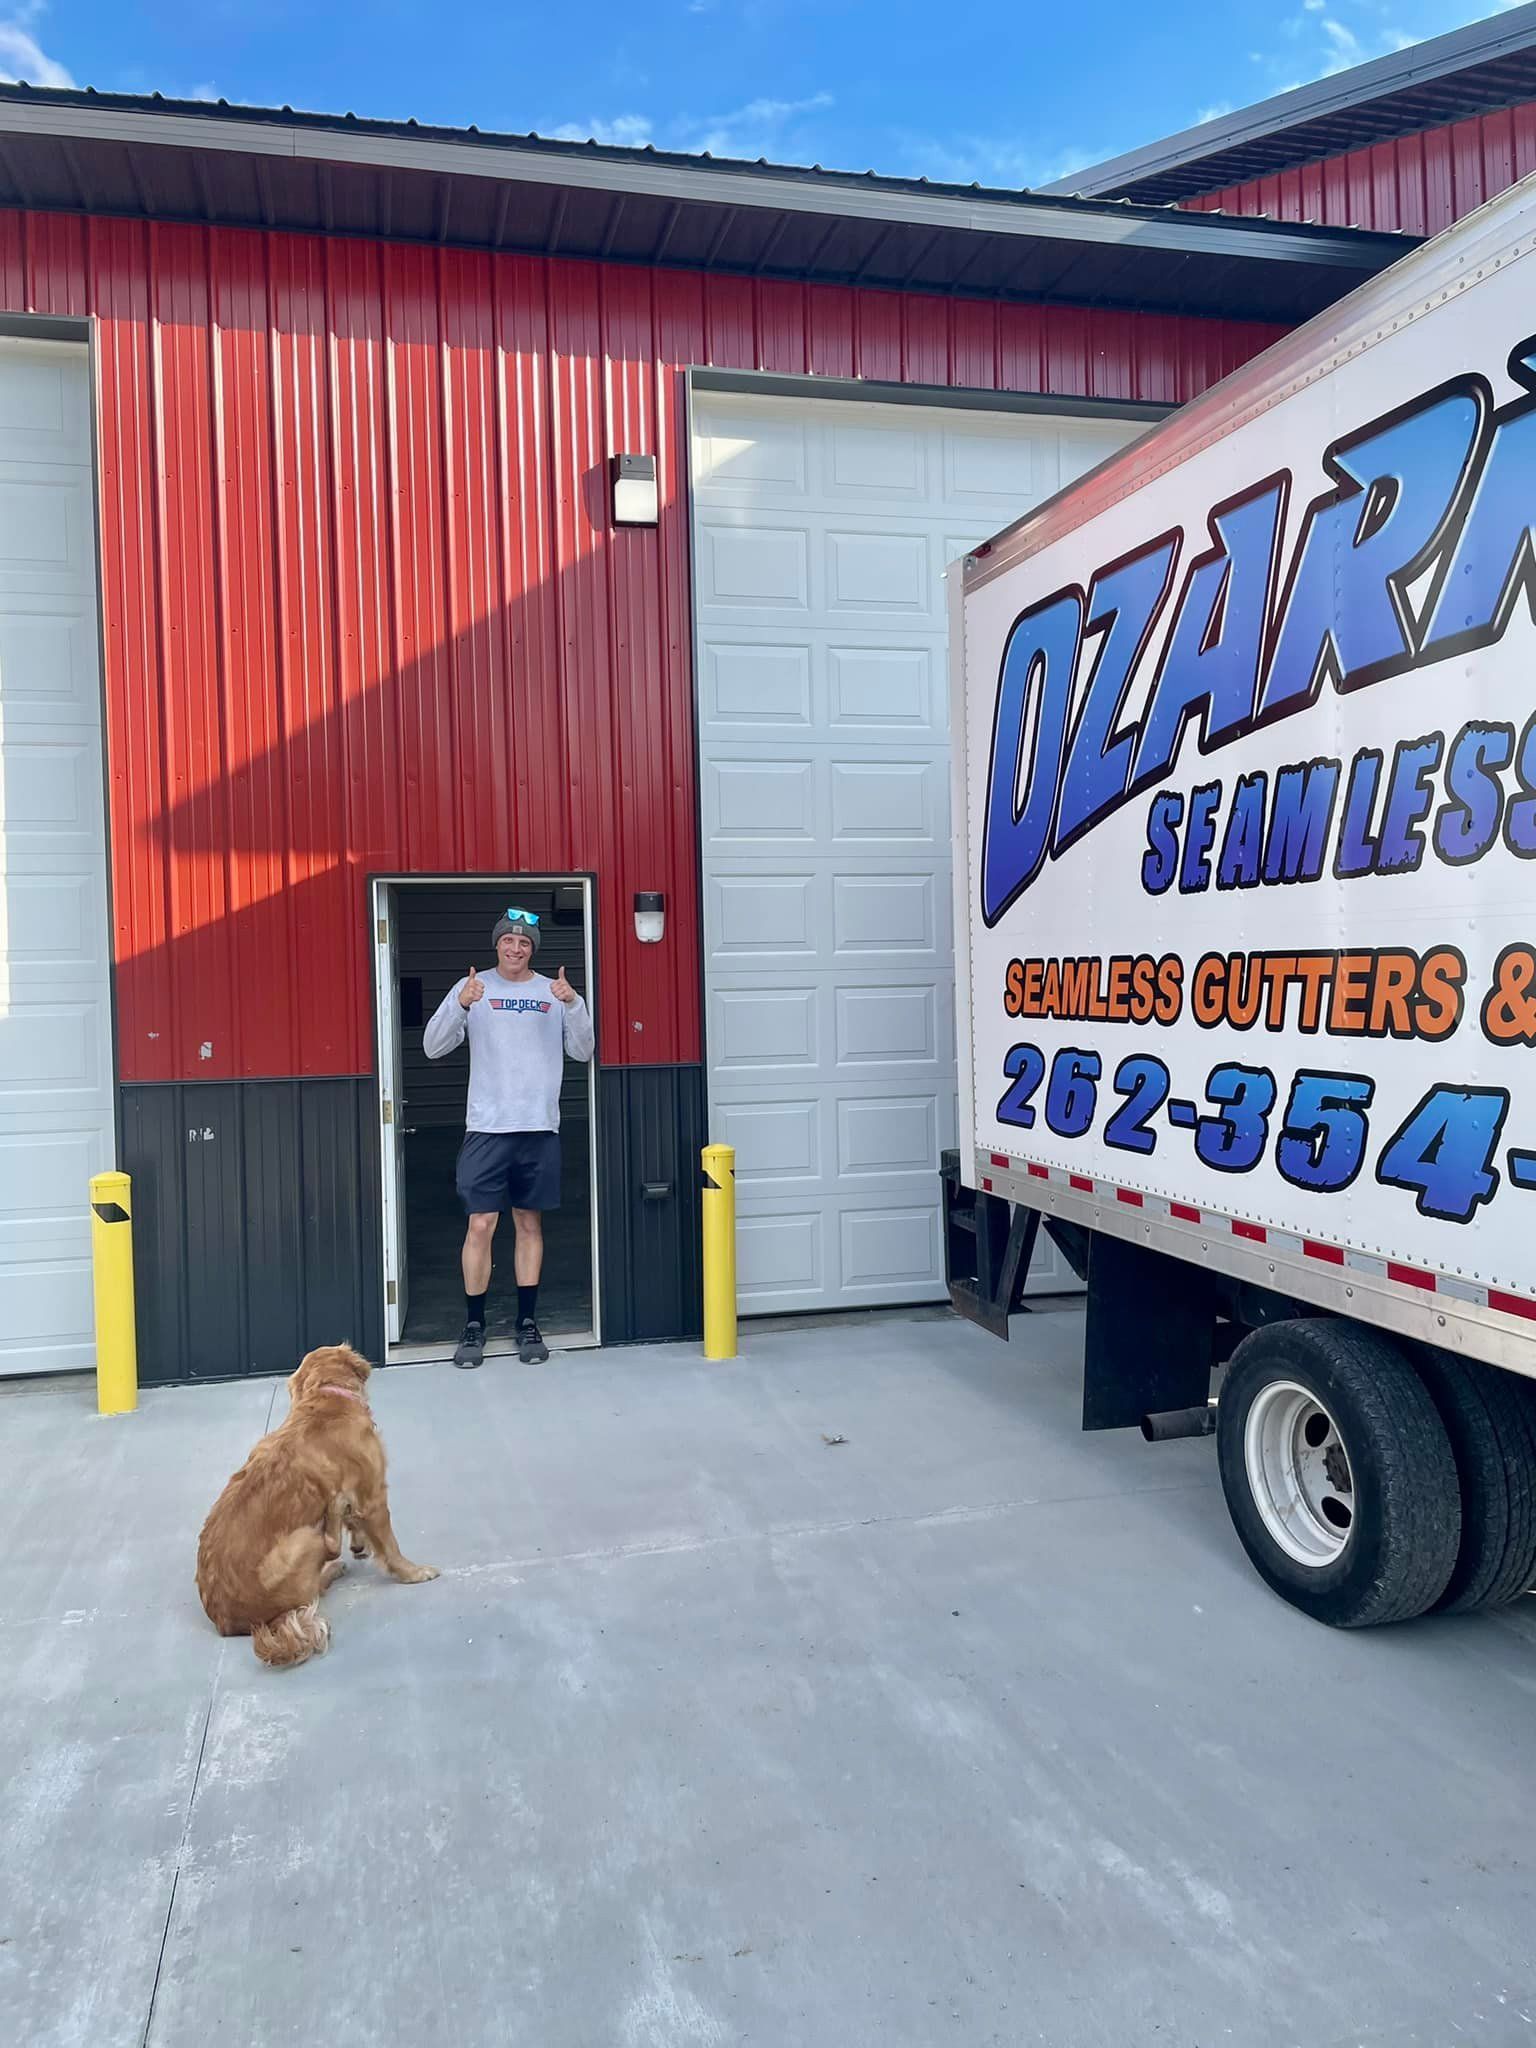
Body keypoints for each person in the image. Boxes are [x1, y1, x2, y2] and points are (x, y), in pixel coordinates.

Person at [422, 907, 595, 1369]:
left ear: (533, 949)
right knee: (480, 1225)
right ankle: (474, 1324)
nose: (515, 948)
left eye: (524, 943)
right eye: (508, 941)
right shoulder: (473, 989)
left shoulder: (552, 993)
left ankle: (526, 1322)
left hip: (538, 1128)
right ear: (496, 944)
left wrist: (574, 1003)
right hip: (487, 1128)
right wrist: (462, 1004)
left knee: (528, 1224)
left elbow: (583, 1050)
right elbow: (433, 1046)